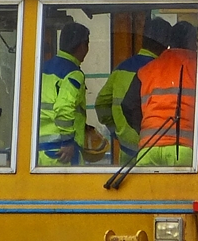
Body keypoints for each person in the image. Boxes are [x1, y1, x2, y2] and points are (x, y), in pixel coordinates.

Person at [122, 20, 197, 167]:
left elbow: (128, 105)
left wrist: (146, 130)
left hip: (148, 149)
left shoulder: (148, 69)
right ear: (193, 42)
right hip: (182, 149)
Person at [94, 16, 171, 159]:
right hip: (155, 152)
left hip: (126, 150)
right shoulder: (162, 71)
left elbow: (101, 104)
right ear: (164, 43)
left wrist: (115, 130)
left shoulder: (120, 69)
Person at [37, 22, 92, 166]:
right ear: (82, 46)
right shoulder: (73, 73)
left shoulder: (42, 68)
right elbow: (63, 109)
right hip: (61, 153)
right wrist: (68, 141)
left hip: (38, 153)